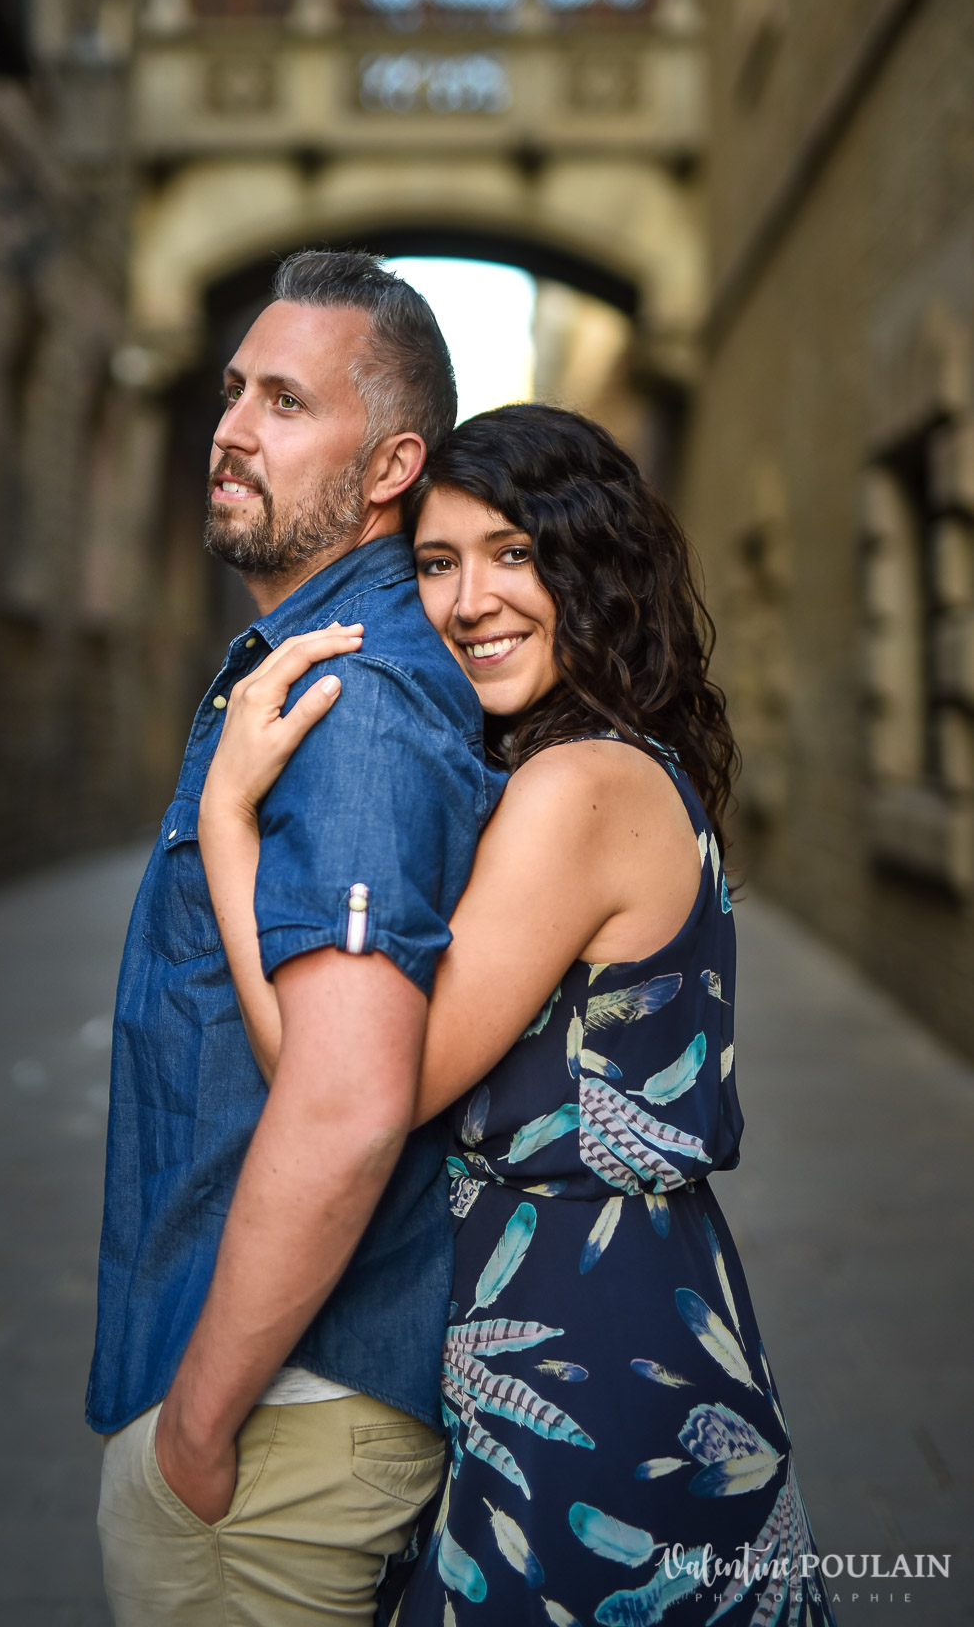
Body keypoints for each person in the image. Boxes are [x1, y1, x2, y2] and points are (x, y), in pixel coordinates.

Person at [197, 404, 835, 1627]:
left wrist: (231, 826)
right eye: (436, 563)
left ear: (590, 566)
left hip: (591, 1355)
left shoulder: (574, 785)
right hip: (613, 1311)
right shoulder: (617, 760)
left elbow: (354, 1094)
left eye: (513, 552)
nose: (468, 599)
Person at [86, 251, 507, 1625]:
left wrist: (198, 1429)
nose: (228, 430)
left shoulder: (359, 701)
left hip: (282, 1426)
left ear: (388, 465)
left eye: (283, 401)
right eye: (231, 392)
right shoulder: (302, 667)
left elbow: (343, 1101)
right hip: (268, 1400)